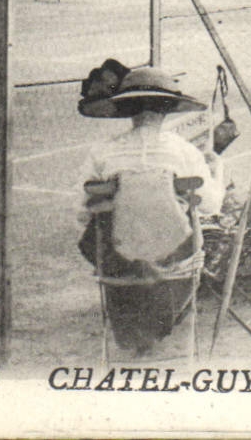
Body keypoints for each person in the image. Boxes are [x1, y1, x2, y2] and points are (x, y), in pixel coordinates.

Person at [77, 63, 222, 357]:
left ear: (128, 109)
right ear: (167, 108)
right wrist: (218, 168)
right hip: (175, 258)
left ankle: (133, 325)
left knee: (109, 232)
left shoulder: (102, 152)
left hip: (117, 261)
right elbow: (211, 205)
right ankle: (166, 322)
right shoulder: (183, 151)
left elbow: (80, 212)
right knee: (190, 223)